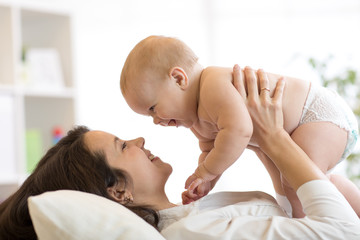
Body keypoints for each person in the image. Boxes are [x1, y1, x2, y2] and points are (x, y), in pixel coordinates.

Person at [0, 69, 359, 239]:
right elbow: (343, 232)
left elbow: (291, 216)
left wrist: (266, 142)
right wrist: (273, 136)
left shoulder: (196, 214)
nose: (141, 137)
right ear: (118, 192)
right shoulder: (195, 232)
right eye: (123, 146)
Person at [120, 35, 360, 217]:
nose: (156, 120)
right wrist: (205, 181)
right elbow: (212, 151)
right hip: (294, 130)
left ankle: (330, 219)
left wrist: (207, 171)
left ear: (179, 78)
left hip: (317, 116)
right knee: (292, 193)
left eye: (153, 108)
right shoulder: (196, 120)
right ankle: (330, 204)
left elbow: (239, 131)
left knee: (302, 187)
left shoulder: (211, 85)